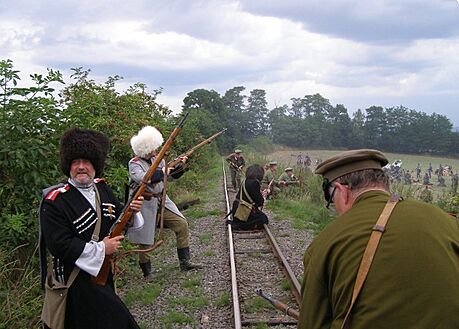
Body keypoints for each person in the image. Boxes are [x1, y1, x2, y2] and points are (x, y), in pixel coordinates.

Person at [298, 149, 459, 329]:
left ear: (341, 190)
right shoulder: (446, 221)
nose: (334, 207)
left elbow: (312, 324)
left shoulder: (325, 243)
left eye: (331, 200)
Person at [39, 128, 144, 329]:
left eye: (86, 162)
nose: (81, 167)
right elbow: (59, 245)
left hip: (103, 276)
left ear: (95, 165)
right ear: (68, 166)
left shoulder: (101, 188)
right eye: (76, 162)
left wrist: (131, 212)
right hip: (76, 282)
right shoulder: (55, 201)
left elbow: (118, 221)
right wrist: (102, 248)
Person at [127, 126, 202, 277]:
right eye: (153, 148)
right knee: (146, 239)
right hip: (144, 203)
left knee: (181, 224)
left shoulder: (157, 159)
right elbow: (145, 178)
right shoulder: (134, 163)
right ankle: (147, 273)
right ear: (145, 149)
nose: (156, 151)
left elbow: (170, 176)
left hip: (161, 200)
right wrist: (162, 172)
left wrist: (179, 166)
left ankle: (185, 263)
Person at [228, 164, 268, 230]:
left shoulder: (245, 181)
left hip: (237, 209)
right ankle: (242, 226)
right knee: (263, 219)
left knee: (260, 216)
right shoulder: (255, 183)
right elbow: (259, 202)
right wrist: (263, 196)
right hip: (244, 210)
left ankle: (239, 224)